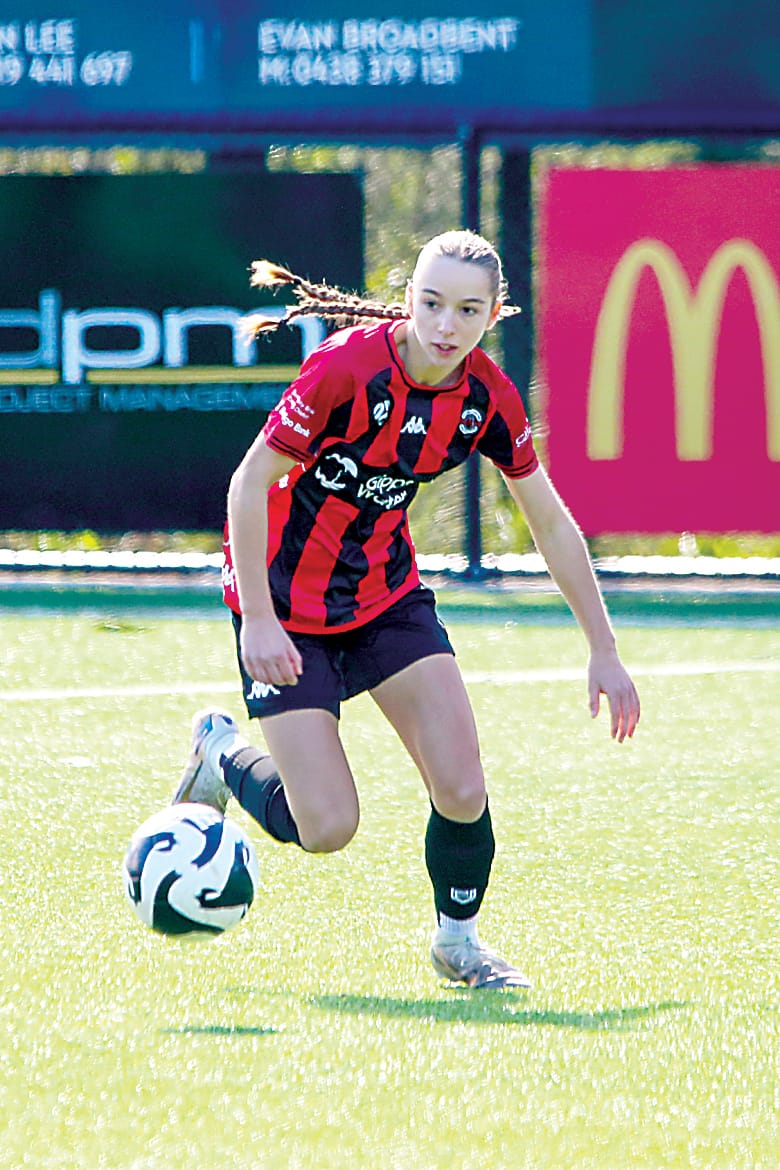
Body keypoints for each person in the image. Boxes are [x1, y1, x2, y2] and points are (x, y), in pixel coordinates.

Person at [172, 229, 640, 989]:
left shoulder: (487, 396)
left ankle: (459, 944)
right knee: (326, 827)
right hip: (285, 606)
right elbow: (248, 484)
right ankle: (221, 752)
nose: (446, 325)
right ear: (410, 299)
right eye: (431, 303)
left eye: (467, 310)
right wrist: (255, 615)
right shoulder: (347, 369)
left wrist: (604, 649)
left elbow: (550, 522)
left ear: (494, 312)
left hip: (386, 599)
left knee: (461, 784)